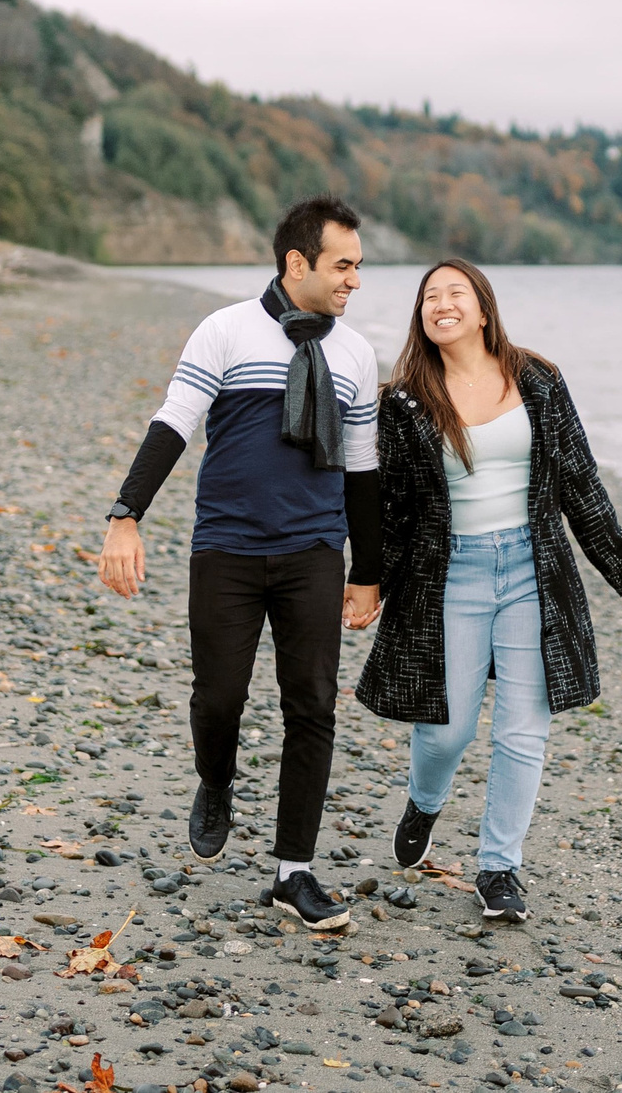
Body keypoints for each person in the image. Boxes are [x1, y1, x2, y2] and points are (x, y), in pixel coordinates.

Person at [100, 195, 383, 931]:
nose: (355, 279)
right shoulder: (225, 330)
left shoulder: (354, 353)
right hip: (225, 548)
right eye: (343, 264)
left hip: (314, 553)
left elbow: (362, 472)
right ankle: (216, 781)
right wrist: (125, 515)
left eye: (358, 265)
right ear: (298, 263)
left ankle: (295, 871)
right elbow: (174, 423)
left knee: (311, 706)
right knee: (218, 697)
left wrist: (368, 569)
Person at [355, 259, 622, 924]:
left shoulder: (537, 378)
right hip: (449, 573)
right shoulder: (404, 401)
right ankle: (424, 802)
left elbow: (578, 475)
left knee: (523, 731)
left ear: (483, 308)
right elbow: (392, 506)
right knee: (447, 728)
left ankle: (500, 869)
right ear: (422, 317)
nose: (442, 303)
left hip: (530, 569)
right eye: (430, 296)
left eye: (455, 292)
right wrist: (367, 581)